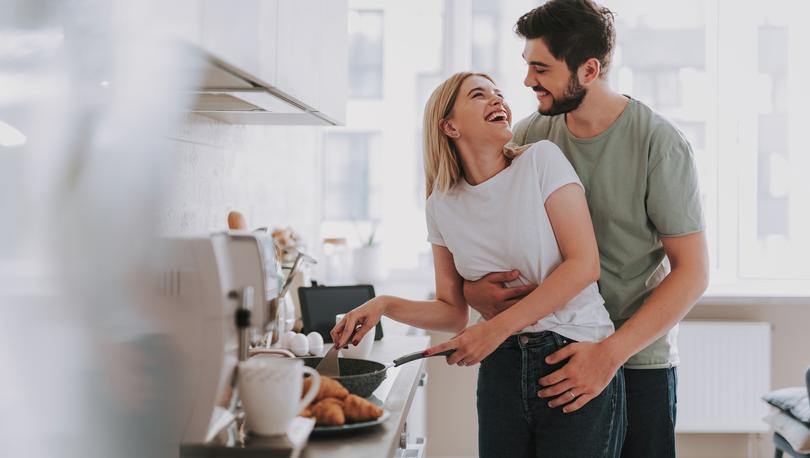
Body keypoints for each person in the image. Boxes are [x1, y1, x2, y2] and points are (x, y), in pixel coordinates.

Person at [461, 1, 710, 457]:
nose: (527, 81)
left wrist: (609, 355)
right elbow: (486, 227)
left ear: (589, 69)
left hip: (636, 364)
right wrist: (472, 290)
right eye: (527, 66)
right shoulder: (527, 137)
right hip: (547, 356)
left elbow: (693, 272)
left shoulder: (659, 143)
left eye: (541, 68)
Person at [332, 72, 625, 458]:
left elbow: (584, 265)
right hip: (501, 368)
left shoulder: (541, 161)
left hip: (572, 352)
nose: (497, 100)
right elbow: (452, 311)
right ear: (449, 126)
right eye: (478, 94)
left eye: (499, 94)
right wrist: (384, 304)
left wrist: (492, 331)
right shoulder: (440, 205)